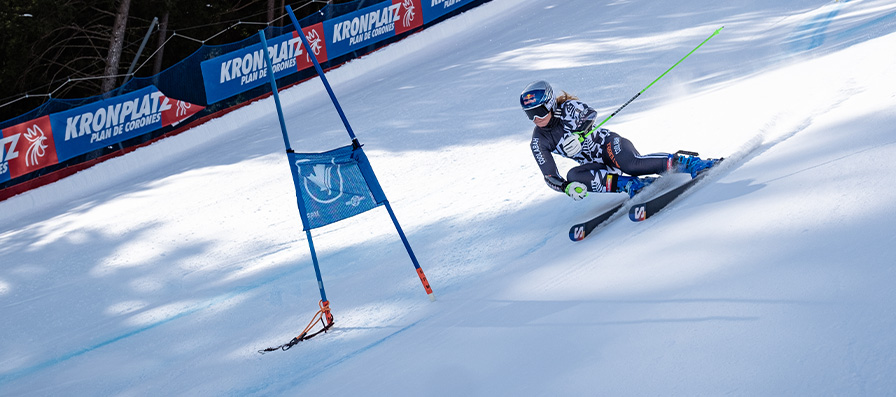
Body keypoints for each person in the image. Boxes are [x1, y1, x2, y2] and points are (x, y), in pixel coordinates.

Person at [521, 80, 717, 201]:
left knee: (631, 164)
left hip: (609, 145)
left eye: (539, 111)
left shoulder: (567, 108)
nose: (536, 119)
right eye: (530, 115)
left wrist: (580, 134)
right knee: (573, 175)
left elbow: (590, 114)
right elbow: (549, 176)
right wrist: (566, 188)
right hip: (595, 164)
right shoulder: (539, 141)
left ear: (549, 103)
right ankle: (631, 185)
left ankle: (688, 163)